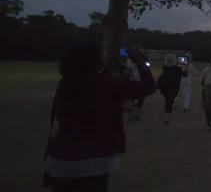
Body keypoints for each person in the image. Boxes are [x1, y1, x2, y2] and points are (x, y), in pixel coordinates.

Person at [43, 42, 156, 192]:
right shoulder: (107, 85)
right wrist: (140, 63)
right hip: (93, 160)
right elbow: (148, 87)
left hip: (61, 157)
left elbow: (91, 85)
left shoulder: (66, 83)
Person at [158, 54, 188, 125]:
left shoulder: (164, 68)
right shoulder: (178, 69)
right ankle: (166, 118)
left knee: (168, 101)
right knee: (170, 102)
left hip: (165, 88)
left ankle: (166, 117)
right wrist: (186, 66)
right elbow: (185, 74)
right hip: (173, 88)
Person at [128, 45, 148, 121]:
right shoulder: (130, 60)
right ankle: (132, 114)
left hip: (140, 80)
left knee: (140, 98)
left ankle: (135, 113)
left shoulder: (141, 60)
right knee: (133, 98)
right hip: (133, 80)